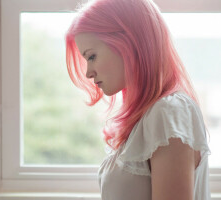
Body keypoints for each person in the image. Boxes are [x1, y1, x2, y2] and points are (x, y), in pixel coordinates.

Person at [65, 0, 212, 199]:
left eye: (91, 57)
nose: (88, 73)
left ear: (128, 43)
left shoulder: (168, 112)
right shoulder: (150, 115)